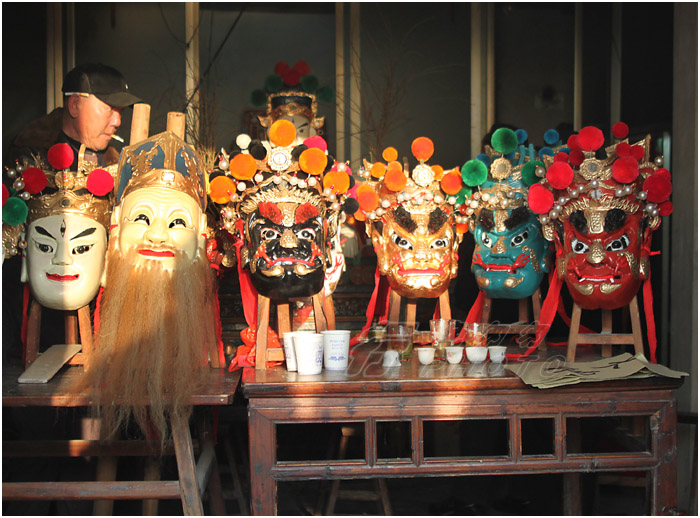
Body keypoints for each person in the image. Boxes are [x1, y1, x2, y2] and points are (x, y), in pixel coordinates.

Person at [8, 63, 141, 169]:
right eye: (110, 109)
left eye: (121, 111)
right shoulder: (33, 159)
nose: (117, 122)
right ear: (75, 105)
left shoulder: (118, 161)